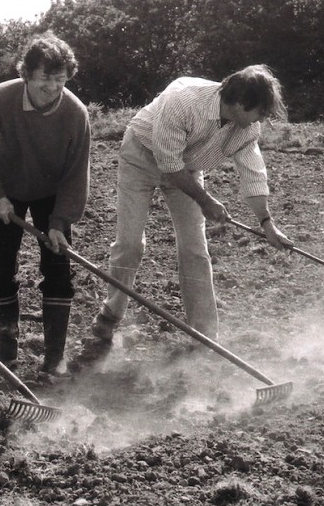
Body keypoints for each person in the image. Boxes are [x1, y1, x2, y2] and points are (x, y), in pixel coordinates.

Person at [89, 64, 292, 349]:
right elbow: (170, 166)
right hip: (141, 156)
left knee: (195, 249)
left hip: (187, 168)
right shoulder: (184, 101)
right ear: (240, 102)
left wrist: (267, 224)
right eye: (261, 111)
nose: (263, 119)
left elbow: (252, 174)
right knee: (130, 243)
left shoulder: (247, 128)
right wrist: (206, 200)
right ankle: (111, 313)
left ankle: (205, 335)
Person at [0, 32, 90, 379]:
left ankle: (54, 357)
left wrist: (59, 221)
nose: (52, 87)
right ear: (27, 74)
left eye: (60, 78)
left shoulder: (75, 114)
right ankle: (7, 343)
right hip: (8, 190)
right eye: (44, 78)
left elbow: (76, 172)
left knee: (58, 269)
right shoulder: (1, 99)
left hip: (52, 192)